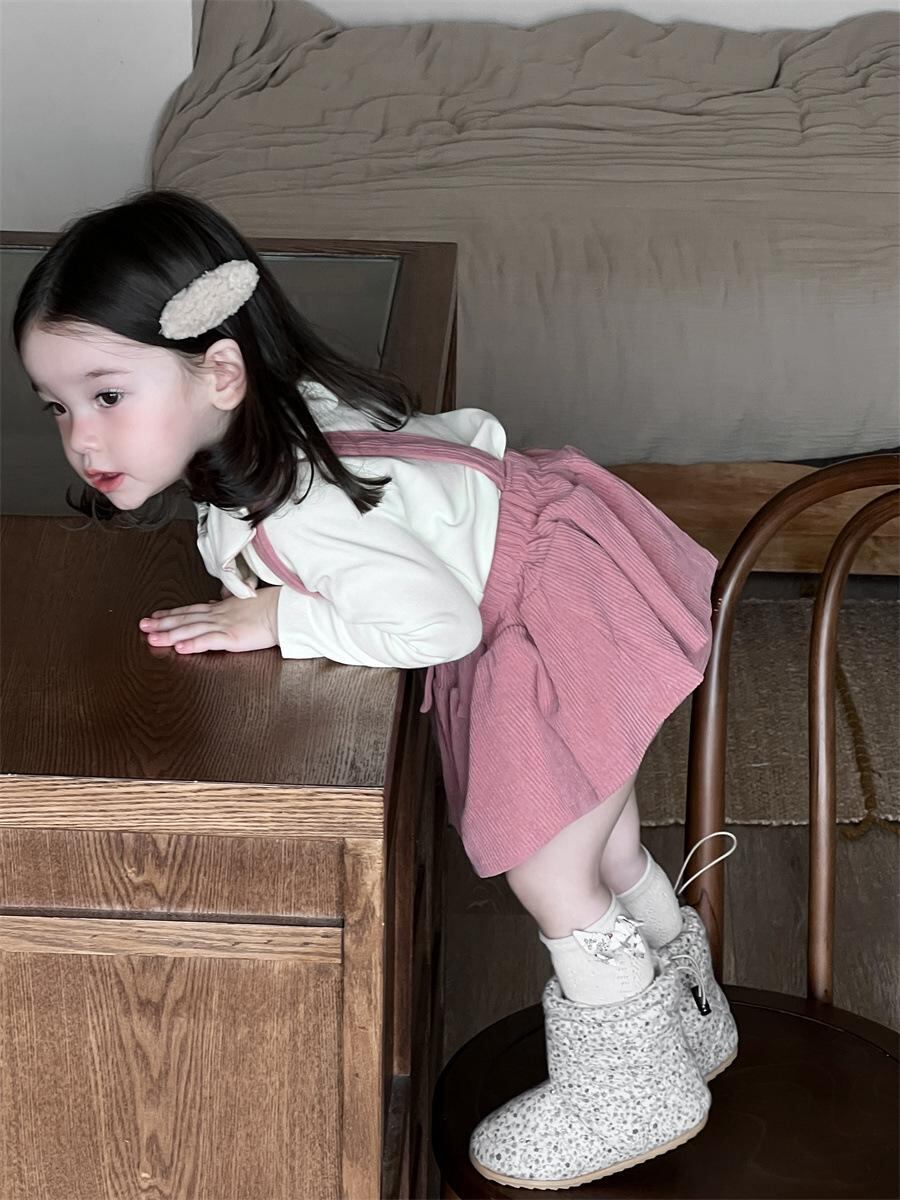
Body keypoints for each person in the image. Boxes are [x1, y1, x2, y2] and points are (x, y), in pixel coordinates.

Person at [14, 188, 738, 1190]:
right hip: (565, 562)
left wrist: (281, 617)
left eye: (106, 397)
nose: (80, 439)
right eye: (56, 406)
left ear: (221, 372)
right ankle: (690, 1019)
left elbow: (438, 626)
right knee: (606, 844)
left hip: (540, 618)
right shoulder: (288, 416)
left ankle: (633, 1088)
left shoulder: (303, 510)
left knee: (550, 868)